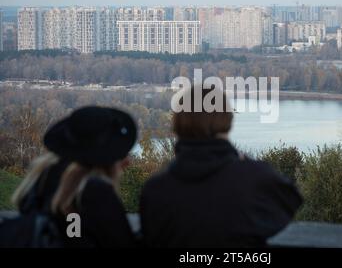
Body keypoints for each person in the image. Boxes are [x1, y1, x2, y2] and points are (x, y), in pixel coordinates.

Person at [140, 86, 303, 247]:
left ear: (178, 124)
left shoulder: (155, 189)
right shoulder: (253, 178)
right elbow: (291, 199)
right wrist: (243, 160)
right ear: (228, 121)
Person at [47, 106, 138, 247]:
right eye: (120, 154)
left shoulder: (47, 183)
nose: (127, 162)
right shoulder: (97, 196)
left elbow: (73, 236)